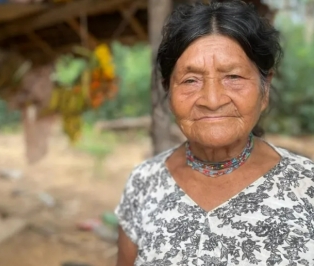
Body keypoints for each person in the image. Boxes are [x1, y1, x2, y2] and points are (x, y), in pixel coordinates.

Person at [115, 1, 314, 265]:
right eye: (190, 80)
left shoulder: (307, 188)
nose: (211, 99)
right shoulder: (144, 184)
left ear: (265, 88)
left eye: (233, 77)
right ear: (169, 91)